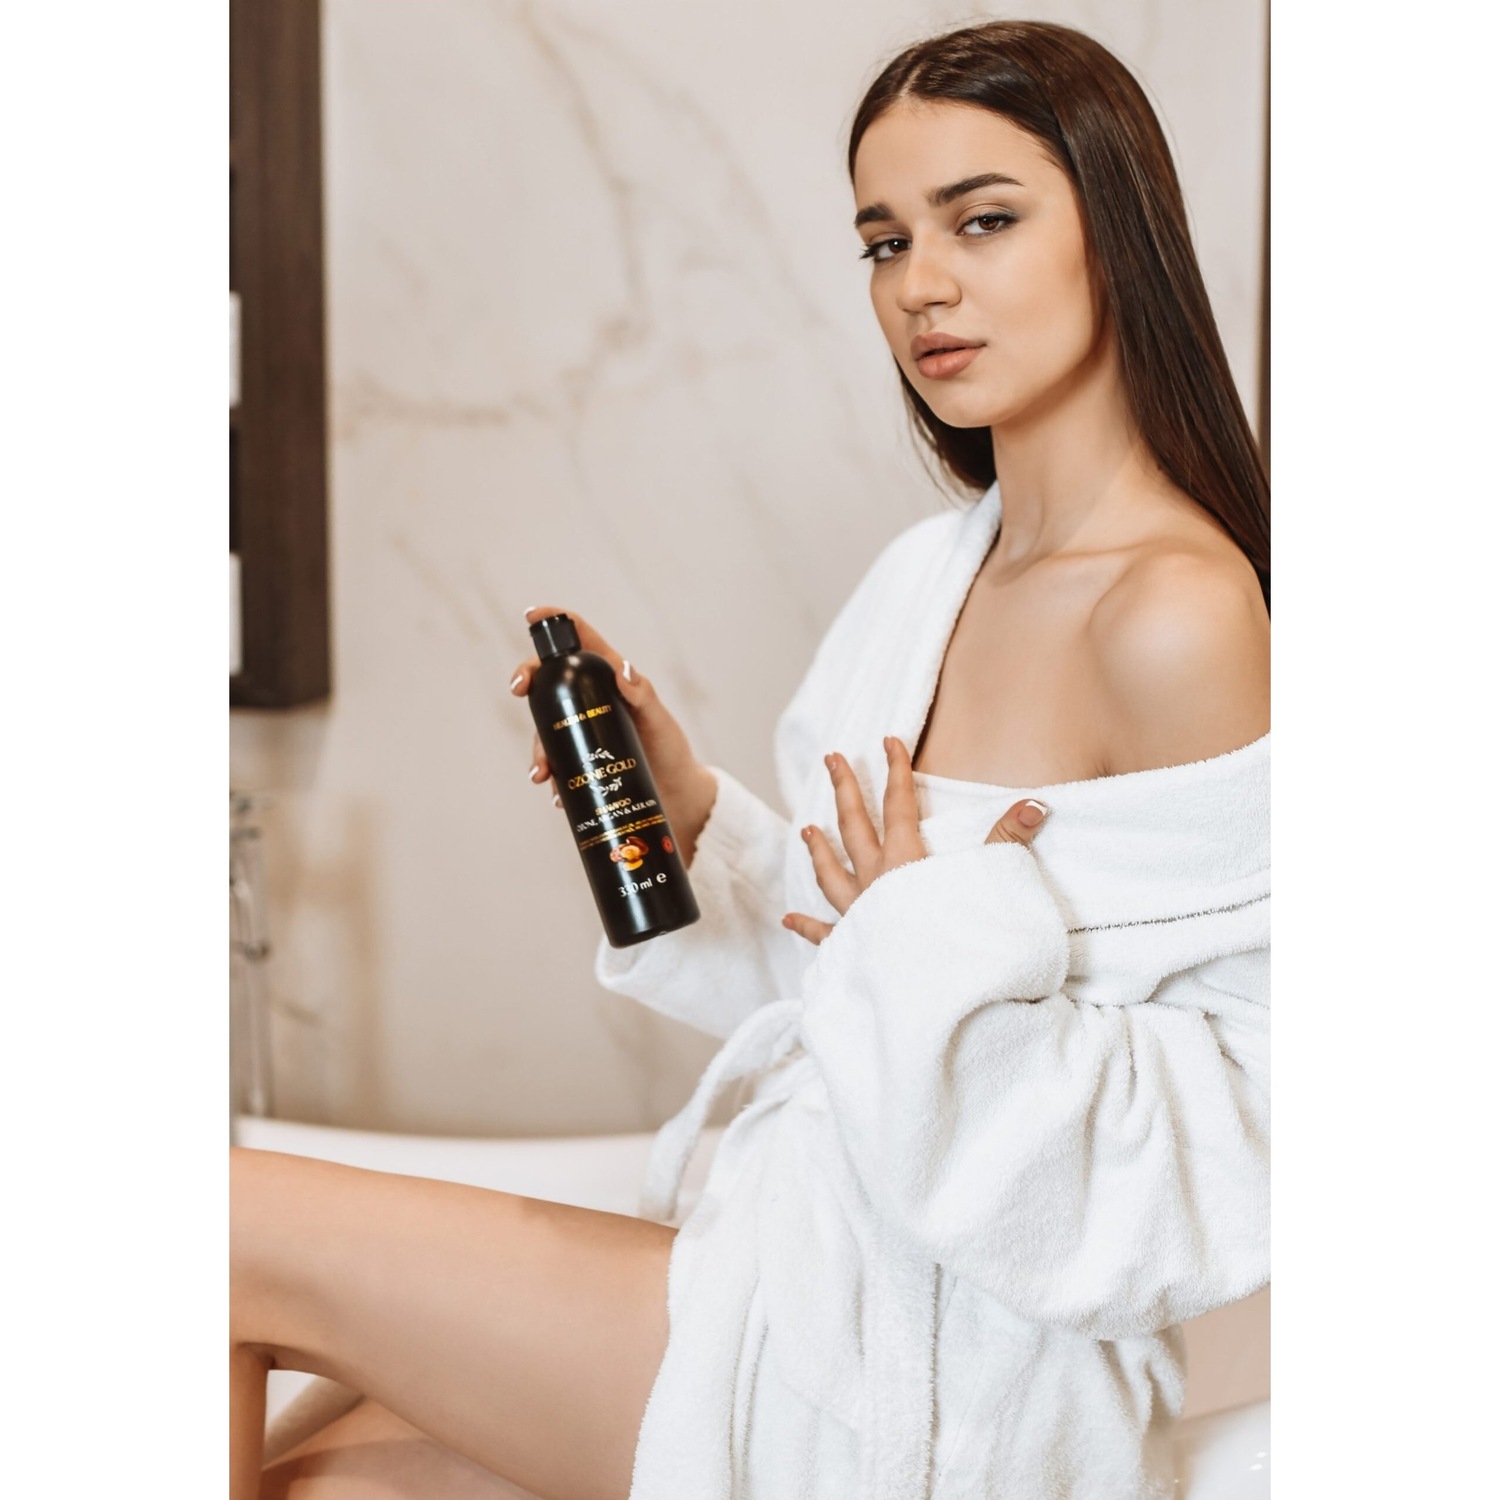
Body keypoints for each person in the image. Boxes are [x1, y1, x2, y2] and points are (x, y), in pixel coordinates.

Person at [231, 18, 1270, 1499]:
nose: (921, 285)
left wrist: (929, 939)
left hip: (940, 1373)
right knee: (306, 1478)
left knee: (208, 1228)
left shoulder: (1176, 615)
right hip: (789, 1252)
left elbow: (1239, 1139)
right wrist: (700, 825)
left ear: (1121, 231)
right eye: (884, 241)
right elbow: (848, 979)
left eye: (982, 220)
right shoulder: (930, 580)